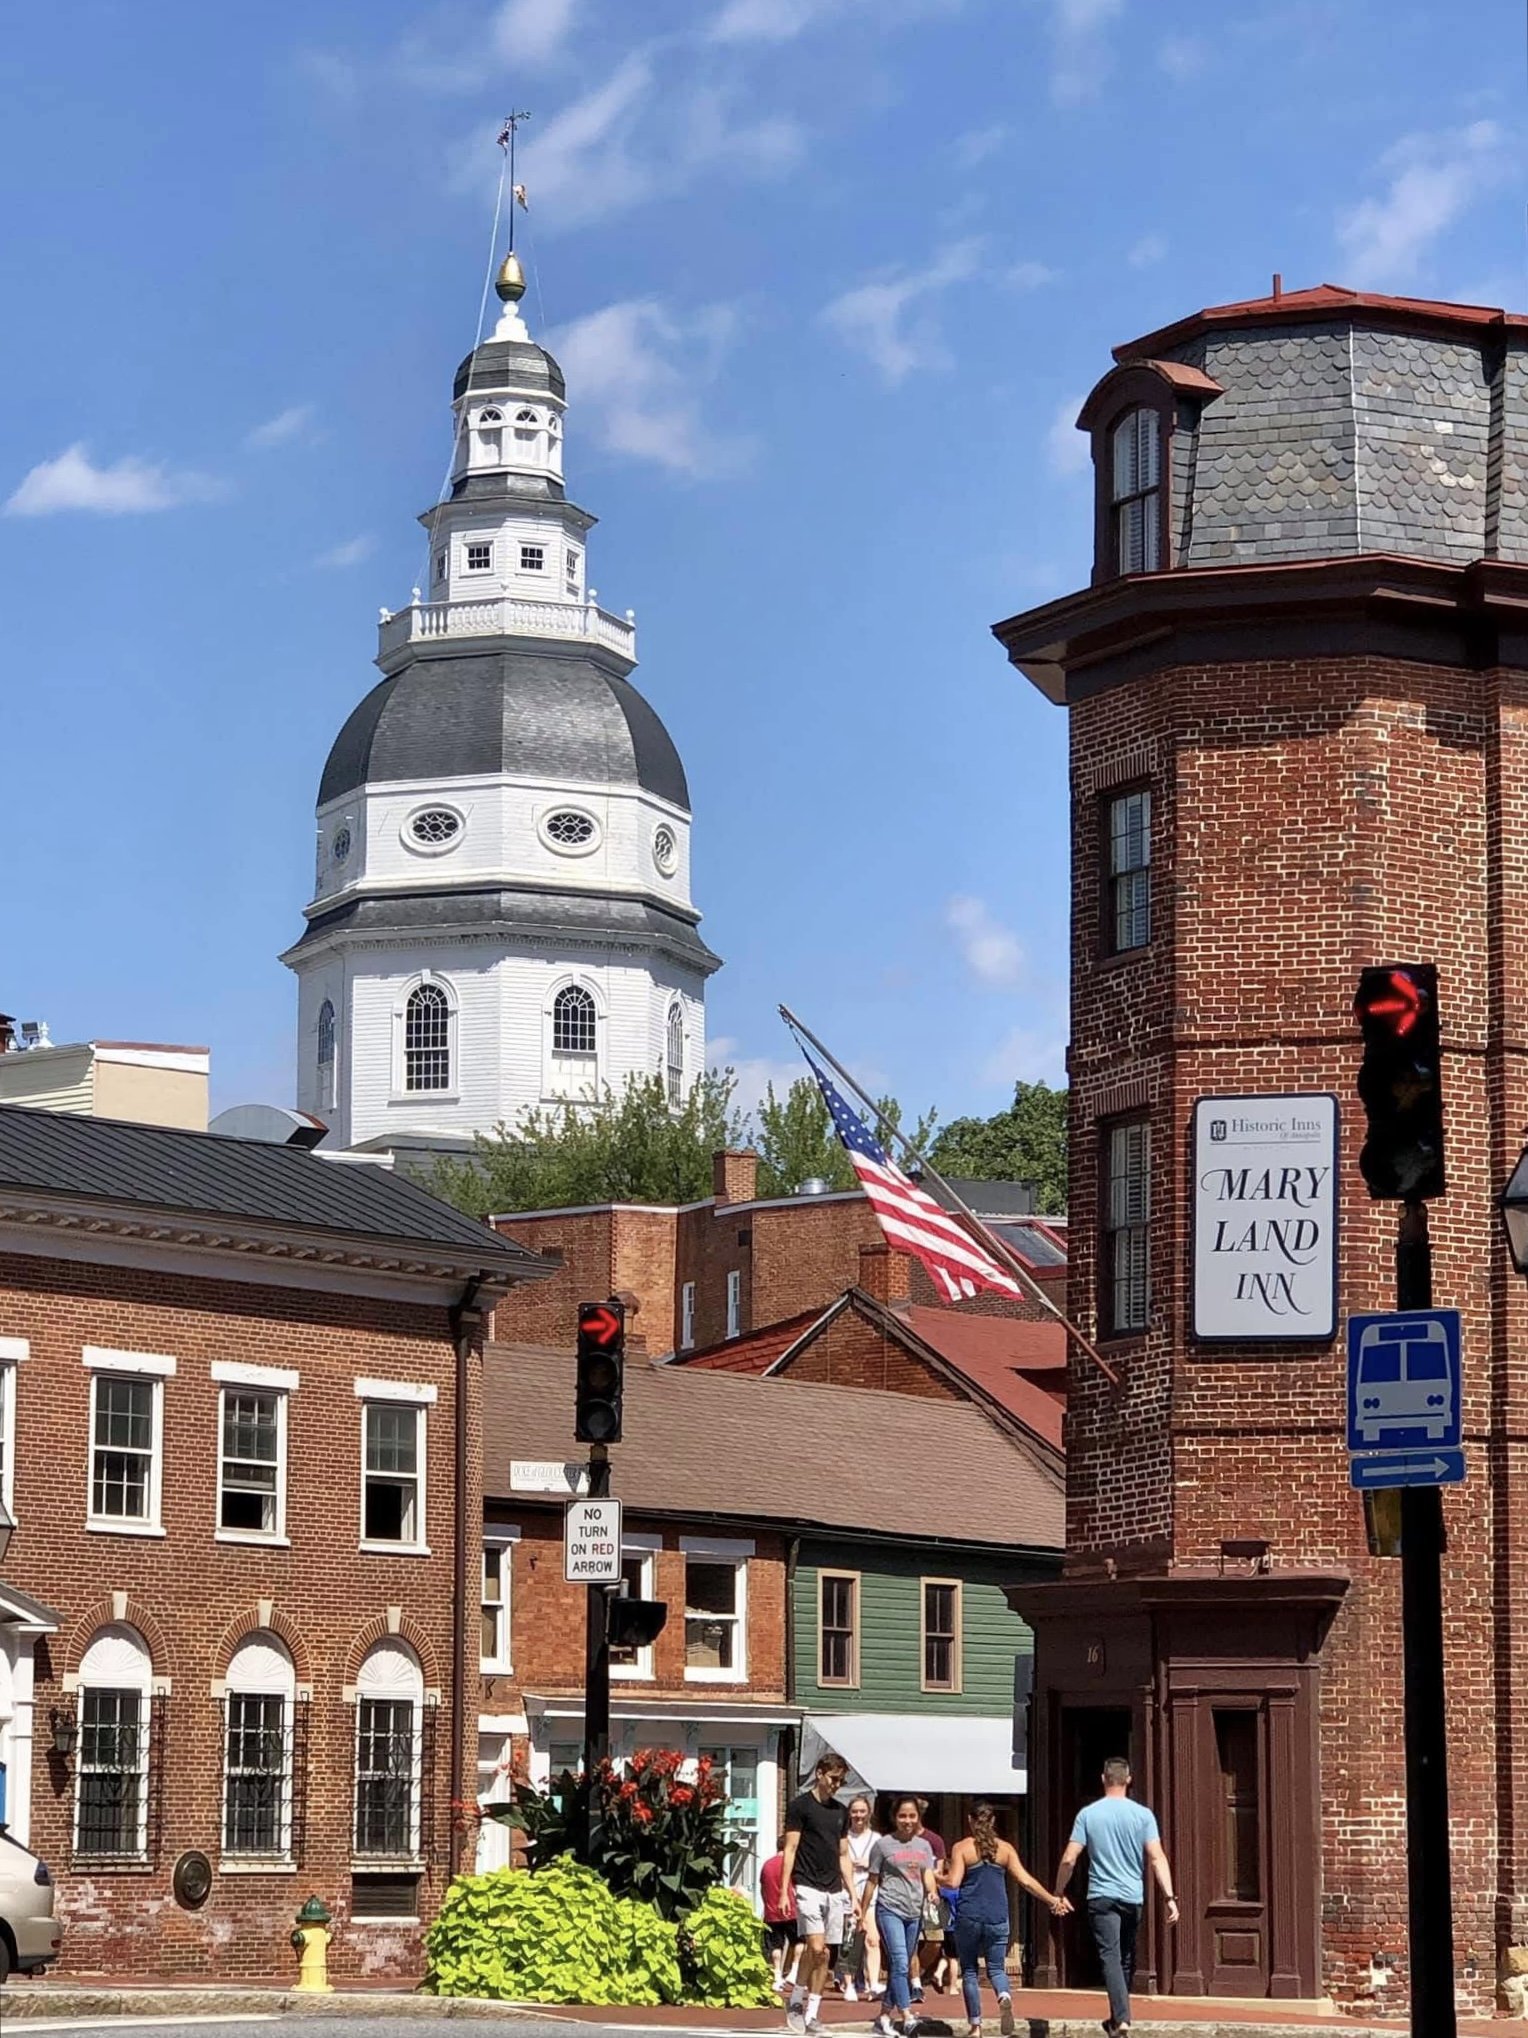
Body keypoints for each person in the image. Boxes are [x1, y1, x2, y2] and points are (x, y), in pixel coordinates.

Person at [1053, 1758, 1178, 2038]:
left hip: (1102, 1894)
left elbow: (1069, 1858)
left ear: (1103, 1779)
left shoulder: (1088, 1815)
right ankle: (1118, 2018)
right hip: (1132, 1896)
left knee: (1110, 1956)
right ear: (1128, 1779)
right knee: (1125, 1956)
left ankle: (1120, 2018)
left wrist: (1059, 1891)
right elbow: (1157, 1857)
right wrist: (1169, 1896)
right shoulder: (1143, 1816)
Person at [945, 1800, 1071, 2038]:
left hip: (969, 1914)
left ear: (970, 1820)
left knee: (969, 1971)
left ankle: (976, 2027)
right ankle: (1004, 1995)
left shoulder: (962, 1848)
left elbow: (953, 1882)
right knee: (996, 1968)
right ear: (993, 1820)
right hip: (998, 1915)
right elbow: (1026, 1880)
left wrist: (935, 1877)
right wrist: (1052, 1900)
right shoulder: (1005, 1849)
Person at [782, 1753, 857, 2036]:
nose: (836, 1785)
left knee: (825, 1955)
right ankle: (796, 1999)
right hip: (807, 1885)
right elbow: (790, 1848)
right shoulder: (800, 1806)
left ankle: (811, 2013)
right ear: (820, 1774)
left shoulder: (841, 1812)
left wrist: (853, 1894)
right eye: (833, 1779)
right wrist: (784, 1890)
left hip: (834, 1889)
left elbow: (844, 1855)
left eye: (841, 1781)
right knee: (815, 1948)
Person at [863, 1795, 940, 2038]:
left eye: (912, 1816)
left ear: (918, 1818)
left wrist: (932, 1892)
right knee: (899, 1961)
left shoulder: (924, 1846)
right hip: (890, 1908)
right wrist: (862, 1910)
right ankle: (907, 2016)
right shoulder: (883, 1845)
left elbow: (927, 1874)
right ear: (895, 1818)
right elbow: (872, 1880)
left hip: (914, 1911)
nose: (907, 1821)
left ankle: (884, 2016)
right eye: (903, 1816)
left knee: (902, 1964)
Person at [835, 1793, 881, 2002]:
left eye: (862, 1811)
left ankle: (873, 1984)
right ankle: (849, 1984)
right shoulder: (843, 1836)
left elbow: (882, 1866)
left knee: (872, 1939)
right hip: (847, 1893)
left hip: (869, 1894)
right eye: (854, 1811)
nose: (858, 1815)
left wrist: (868, 1864)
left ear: (868, 1813)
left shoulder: (876, 1839)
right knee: (849, 1940)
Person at [761, 1835, 801, 1995]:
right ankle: (795, 1969)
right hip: (791, 1909)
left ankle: (777, 1976)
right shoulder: (792, 1864)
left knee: (775, 1945)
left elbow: (763, 1888)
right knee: (800, 1941)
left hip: (771, 1911)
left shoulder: (766, 1865)